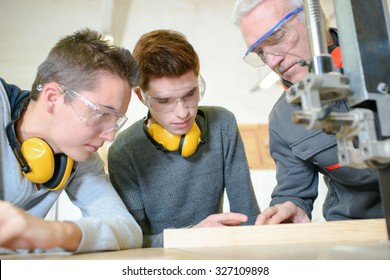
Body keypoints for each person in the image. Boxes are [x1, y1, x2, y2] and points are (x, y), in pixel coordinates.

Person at [231, 0, 382, 224]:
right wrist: (291, 207)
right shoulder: (283, 119)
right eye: (260, 52)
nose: (273, 60)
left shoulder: (382, 65)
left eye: (276, 37)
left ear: (315, 21)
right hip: (355, 231)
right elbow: (293, 192)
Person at [107, 29, 260, 247]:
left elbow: (248, 217)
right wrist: (190, 236)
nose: (182, 112)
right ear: (142, 97)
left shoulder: (222, 124)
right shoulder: (124, 151)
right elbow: (131, 242)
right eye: (164, 100)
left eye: (190, 94)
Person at [0, 28, 142, 254]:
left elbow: (127, 229)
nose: (110, 135)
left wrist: (57, 233)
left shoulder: (79, 155)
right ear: (52, 98)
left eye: (115, 121)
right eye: (101, 113)